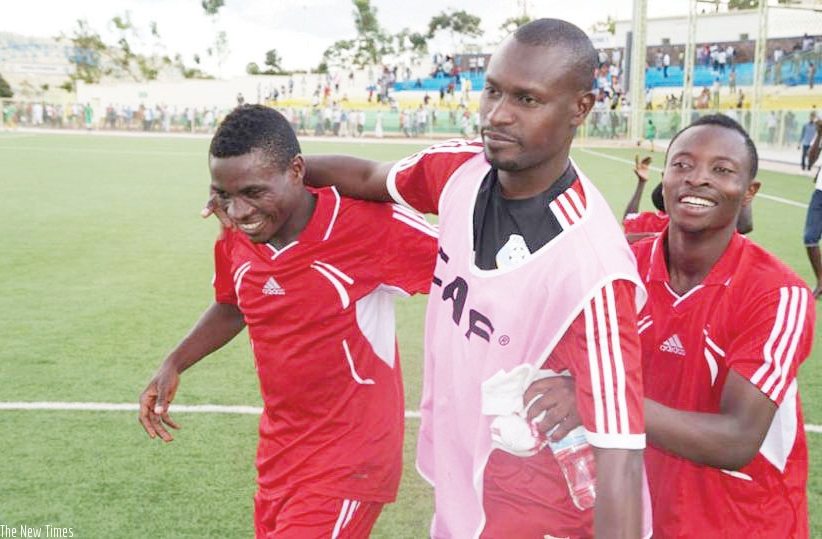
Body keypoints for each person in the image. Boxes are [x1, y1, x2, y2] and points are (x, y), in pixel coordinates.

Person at [258, 19, 651, 539]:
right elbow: (373, 179)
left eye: (527, 100)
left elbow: (619, 454)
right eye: (492, 90)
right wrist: (272, 181)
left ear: (581, 107)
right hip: (467, 485)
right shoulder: (463, 169)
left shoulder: (593, 268)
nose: (497, 115)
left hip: (546, 514)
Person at [140, 105, 438, 537]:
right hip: (280, 454)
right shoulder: (238, 233)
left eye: (254, 192)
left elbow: (472, 270)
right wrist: (174, 362)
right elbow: (234, 304)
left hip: (350, 459)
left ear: (297, 170)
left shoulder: (367, 227)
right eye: (224, 194)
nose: (238, 211)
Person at [635, 114, 814, 537]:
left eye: (722, 170)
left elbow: (737, 439)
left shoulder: (776, 293)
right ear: (665, 177)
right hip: (645, 513)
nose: (697, 178)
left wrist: (598, 400)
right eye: (682, 164)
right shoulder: (624, 270)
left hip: (742, 523)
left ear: (749, 192)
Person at [623, 153, 752, 243]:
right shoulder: (703, 222)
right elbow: (746, 226)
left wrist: (641, 183)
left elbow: (628, 219)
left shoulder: (650, 221)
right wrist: (744, 187)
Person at [801, 116, 822, 297]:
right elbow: (811, 160)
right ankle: (821, 281)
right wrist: (819, 133)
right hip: (820, 193)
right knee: (810, 237)